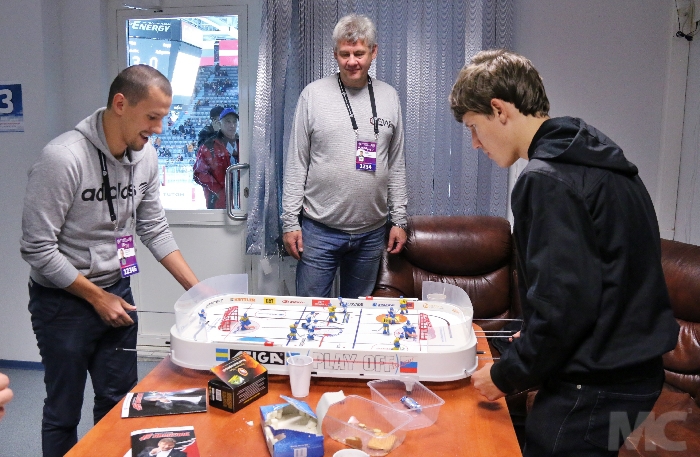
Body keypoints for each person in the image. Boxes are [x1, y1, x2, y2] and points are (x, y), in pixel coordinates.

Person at [449, 49, 680, 456]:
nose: (475, 143)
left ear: (499, 110)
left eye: (473, 127)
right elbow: (600, 280)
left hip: (593, 387)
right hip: (635, 378)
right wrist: (534, 333)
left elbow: (563, 308)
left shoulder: (546, 180)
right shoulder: (600, 161)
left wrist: (505, 375)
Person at [20, 64, 200, 457]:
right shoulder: (63, 158)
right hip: (63, 303)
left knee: (120, 401)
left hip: (118, 293)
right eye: (152, 117)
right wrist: (96, 298)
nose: (159, 129)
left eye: (163, 117)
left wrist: (199, 293)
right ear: (121, 104)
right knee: (63, 411)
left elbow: (154, 229)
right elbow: (37, 247)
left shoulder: (145, 157)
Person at [281, 14, 408, 298]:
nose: (352, 61)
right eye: (345, 54)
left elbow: (396, 163)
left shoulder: (389, 97)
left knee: (359, 313)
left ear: (373, 52)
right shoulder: (312, 96)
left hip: (372, 233)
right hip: (319, 230)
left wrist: (399, 220)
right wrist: (290, 222)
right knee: (310, 312)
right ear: (335, 54)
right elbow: (296, 162)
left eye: (359, 53)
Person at [193, 107, 239, 209]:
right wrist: (218, 190)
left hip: (237, 196)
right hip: (217, 197)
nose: (231, 125)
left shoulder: (240, 141)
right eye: (227, 121)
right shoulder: (207, 138)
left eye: (234, 122)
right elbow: (199, 172)